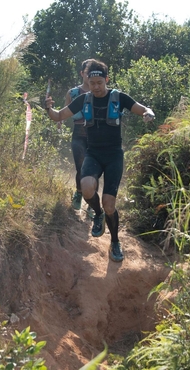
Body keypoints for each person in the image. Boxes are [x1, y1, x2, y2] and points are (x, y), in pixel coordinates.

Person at [44, 59, 155, 262]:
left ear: (106, 80)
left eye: (99, 83)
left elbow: (143, 109)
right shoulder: (83, 99)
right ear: (87, 80)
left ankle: (115, 242)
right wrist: (48, 108)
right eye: (92, 83)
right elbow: (59, 115)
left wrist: (149, 113)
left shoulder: (119, 97)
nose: (95, 87)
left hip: (113, 156)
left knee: (109, 204)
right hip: (93, 153)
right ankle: (97, 214)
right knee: (86, 188)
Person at [65, 59, 93, 213]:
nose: (90, 76)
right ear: (82, 73)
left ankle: (92, 201)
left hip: (95, 135)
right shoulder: (73, 93)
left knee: (94, 169)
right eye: (87, 72)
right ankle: (79, 193)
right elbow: (65, 111)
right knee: (80, 166)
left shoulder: (100, 92)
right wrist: (58, 120)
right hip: (78, 133)